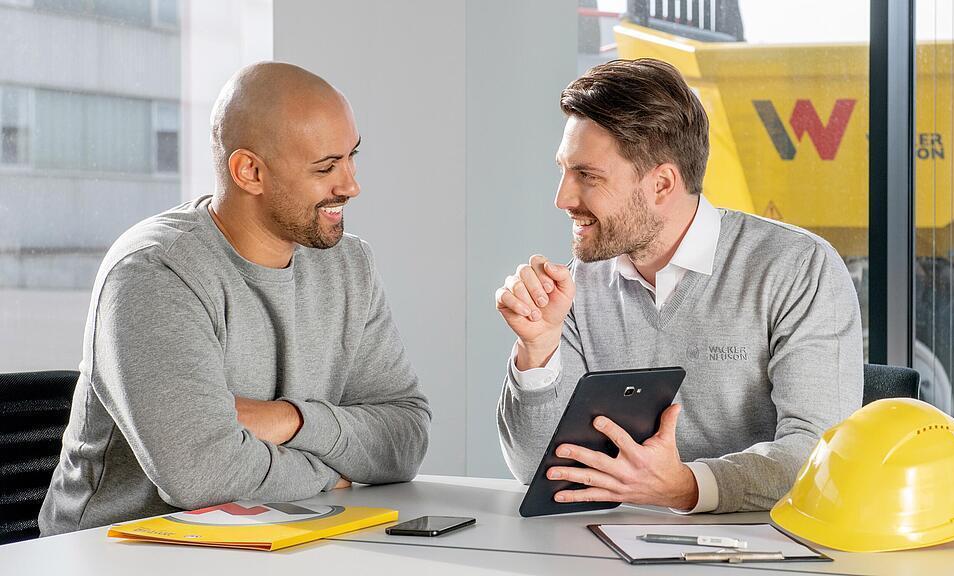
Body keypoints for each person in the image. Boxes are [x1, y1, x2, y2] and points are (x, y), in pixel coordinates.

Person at [39, 62, 431, 535]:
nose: (351, 185)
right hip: (121, 555)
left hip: (276, 541)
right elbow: (205, 477)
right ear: (250, 171)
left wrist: (289, 420)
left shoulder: (350, 265)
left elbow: (404, 438)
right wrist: (339, 474)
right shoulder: (154, 272)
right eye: (326, 167)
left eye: (352, 157)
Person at [495, 58, 862, 513]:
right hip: (614, 549)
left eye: (587, 176)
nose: (562, 198)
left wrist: (690, 487)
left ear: (663, 183)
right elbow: (541, 471)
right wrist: (538, 352)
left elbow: (821, 456)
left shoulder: (797, 268)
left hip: (764, 552)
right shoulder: (578, 285)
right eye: (564, 171)